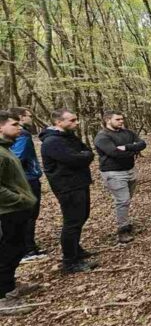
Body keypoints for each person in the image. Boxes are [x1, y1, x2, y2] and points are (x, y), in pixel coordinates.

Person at [40, 109, 97, 273]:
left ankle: (76, 250)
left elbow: (87, 152)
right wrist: (83, 157)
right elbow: (74, 159)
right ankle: (69, 262)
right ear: (58, 122)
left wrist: (83, 156)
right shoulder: (52, 142)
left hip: (80, 183)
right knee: (72, 222)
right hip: (67, 186)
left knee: (82, 217)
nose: (76, 123)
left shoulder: (69, 136)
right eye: (72, 120)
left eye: (76, 119)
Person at [0, 111, 38, 304]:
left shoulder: (6, 149)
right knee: (8, 251)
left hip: (16, 210)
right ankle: (4, 296)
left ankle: (10, 285)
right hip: (8, 211)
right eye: (15, 124)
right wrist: (20, 199)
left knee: (17, 249)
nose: (20, 127)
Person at [94, 111, 147, 244]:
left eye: (122, 119)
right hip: (113, 172)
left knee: (127, 199)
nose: (121, 121)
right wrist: (133, 150)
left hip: (130, 170)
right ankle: (122, 230)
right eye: (117, 119)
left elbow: (142, 144)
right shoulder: (102, 136)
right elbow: (114, 153)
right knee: (122, 200)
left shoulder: (127, 133)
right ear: (108, 120)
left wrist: (128, 147)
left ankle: (125, 222)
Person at [8, 107, 45, 262]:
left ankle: (29, 247)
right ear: (21, 118)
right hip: (27, 179)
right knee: (30, 214)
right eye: (29, 116)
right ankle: (28, 249)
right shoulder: (22, 134)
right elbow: (17, 157)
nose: (32, 118)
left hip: (23, 179)